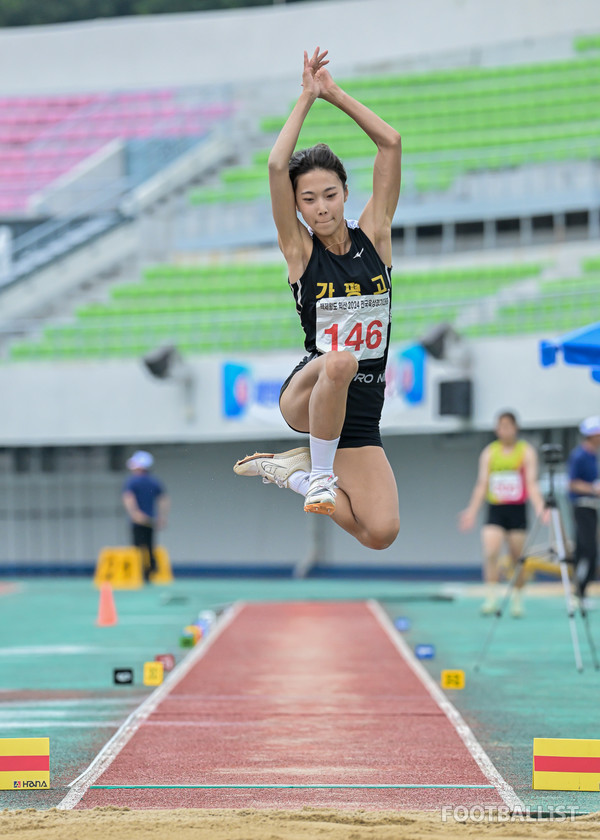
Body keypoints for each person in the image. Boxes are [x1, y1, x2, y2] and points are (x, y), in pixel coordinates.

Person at [233, 48, 401, 551]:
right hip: (309, 395)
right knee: (340, 359)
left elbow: (390, 143)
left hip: (360, 413)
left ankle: (300, 474)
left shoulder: (376, 236)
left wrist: (334, 93)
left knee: (381, 533)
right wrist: (306, 98)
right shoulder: (300, 251)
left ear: (345, 193)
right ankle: (322, 473)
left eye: (329, 194)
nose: (321, 207)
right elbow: (275, 163)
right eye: (308, 200)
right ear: (298, 208)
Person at [458, 411, 545, 617]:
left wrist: (540, 506)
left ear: (515, 427)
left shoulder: (526, 452)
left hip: (517, 510)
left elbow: (531, 483)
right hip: (496, 509)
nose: (503, 430)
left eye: (507, 426)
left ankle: (517, 599)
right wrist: (471, 511)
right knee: (491, 552)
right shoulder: (490, 452)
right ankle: (491, 597)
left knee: (517, 557)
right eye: (500, 426)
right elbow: (482, 484)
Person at [122, 450, 169, 582]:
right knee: (150, 546)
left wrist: (134, 513)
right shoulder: (154, 481)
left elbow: (128, 498)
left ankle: (139, 573)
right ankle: (150, 572)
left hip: (137, 520)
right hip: (150, 520)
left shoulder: (132, 481)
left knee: (137, 547)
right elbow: (163, 499)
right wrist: (162, 516)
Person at [568, 416, 600, 604]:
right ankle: (578, 592)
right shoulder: (579, 455)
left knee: (589, 549)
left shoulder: (593, 455)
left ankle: (582, 592)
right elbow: (572, 484)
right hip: (582, 507)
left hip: (592, 507)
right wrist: (594, 489)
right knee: (586, 549)